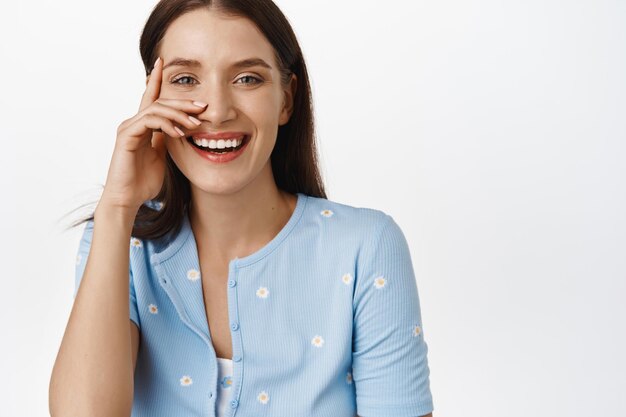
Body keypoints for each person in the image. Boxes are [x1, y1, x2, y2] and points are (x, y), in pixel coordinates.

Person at [49, 0, 434, 416]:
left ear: (286, 100)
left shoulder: (366, 246)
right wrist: (117, 206)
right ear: (152, 97)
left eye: (247, 78)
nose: (217, 110)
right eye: (185, 79)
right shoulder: (119, 240)